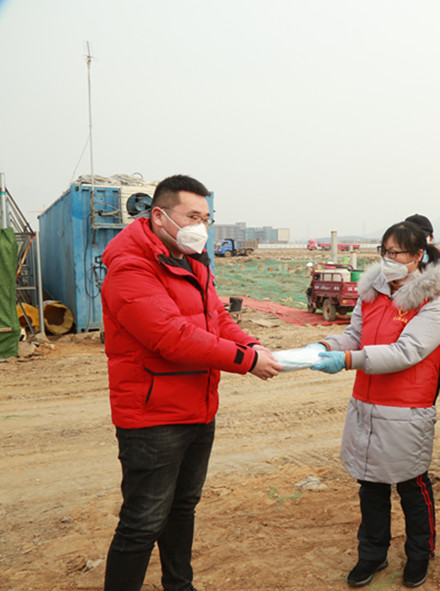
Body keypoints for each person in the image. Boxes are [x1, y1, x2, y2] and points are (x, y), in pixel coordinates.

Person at [101, 174, 282, 591]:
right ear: (159, 215)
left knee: (183, 508)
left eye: (206, 218)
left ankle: (179, 586)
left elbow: (215, 317)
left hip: (198, 408)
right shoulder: (131, 265)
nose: (201, 227)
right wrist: (247, 361)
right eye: (192, 216)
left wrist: (251, 343)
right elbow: (172, 337)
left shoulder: (192, 260)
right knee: (142, 522)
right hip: (154, 418)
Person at [307, 221, 440, 588]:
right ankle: (372, 554)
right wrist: (326, 346)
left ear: (417, 256)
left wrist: (348, 360)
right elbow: (354, 334)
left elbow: (405, 352)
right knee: (370, 486)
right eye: (384, 252)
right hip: (367, 403)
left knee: (411, 485)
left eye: (396, 253)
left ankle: (419, 553)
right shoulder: (371, 293)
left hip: (406, 408)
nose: (388, 259)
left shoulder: (432, 303)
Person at [404, 213, 440, 399]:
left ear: (431, 238)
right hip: (405, 339)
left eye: (421, 236)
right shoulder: (399, 261)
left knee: (427, 398)